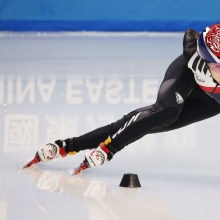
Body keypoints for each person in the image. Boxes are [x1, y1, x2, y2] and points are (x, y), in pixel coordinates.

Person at [24, 23, 220, 174]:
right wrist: (192, 53)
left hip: (211, 100)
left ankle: (66, 146)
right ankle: (103, 148)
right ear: (206, 59)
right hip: (187, 77)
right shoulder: (195, 57)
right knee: (165, 113)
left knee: (154, 124)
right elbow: (191, 34)